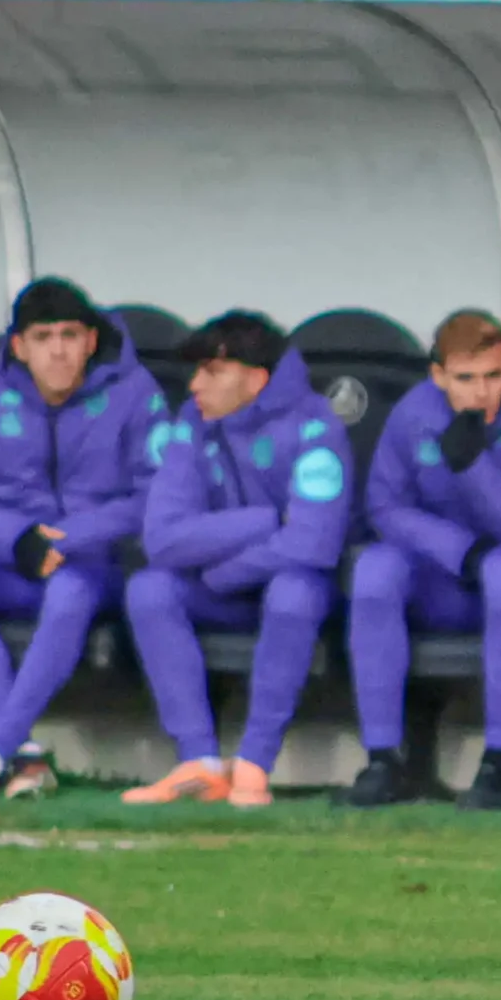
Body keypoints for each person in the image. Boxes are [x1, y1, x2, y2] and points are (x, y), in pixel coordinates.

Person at [0, 278, 168, 800]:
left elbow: (159, 493)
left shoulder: (135, 392)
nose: (58, 350)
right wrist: (14, 537)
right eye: (44, 337)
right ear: (21, 346)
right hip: (10, 560)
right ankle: (26, 755)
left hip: (99, 564)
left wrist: (69, 536)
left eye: (71, 335)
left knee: (70, 591)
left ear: (91, 341)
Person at [343, 309, 501, 813]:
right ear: (438, 375)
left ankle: (497, 761)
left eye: (494, 376)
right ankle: (382, 758)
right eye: (465, 379)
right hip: (441, 573)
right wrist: (459, 550)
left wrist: (473, 464)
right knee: (374, 571)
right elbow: (384, 506)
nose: (481, 391)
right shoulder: (415, 411)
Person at [120, 312, 352, 807]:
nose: (195, 383)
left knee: (295, 590)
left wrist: (225, 569)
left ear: (256, 377)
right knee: (150, 587)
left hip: (288, 588)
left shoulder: (316, 425)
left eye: (211, 370)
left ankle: (253, 765)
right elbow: (161, 537)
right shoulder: (193, 420)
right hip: (221, 586)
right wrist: (264, 521)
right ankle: (200, 762)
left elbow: (314, 543)